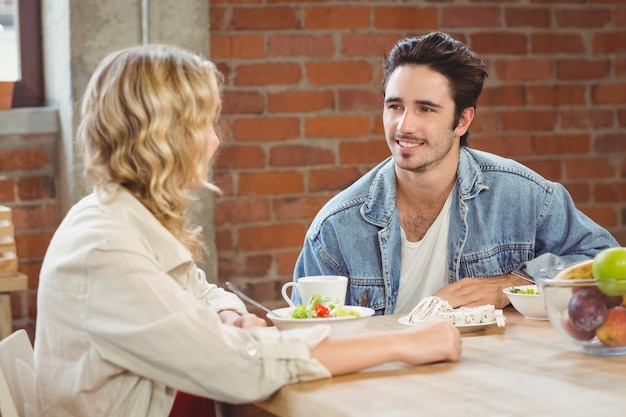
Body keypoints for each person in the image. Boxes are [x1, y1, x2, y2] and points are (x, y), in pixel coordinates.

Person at [33, 44, 462, 417]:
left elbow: (197, 290)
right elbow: (240, 368)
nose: (215, 141)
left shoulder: (124, 220)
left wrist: (229, 314)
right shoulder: (104, 247)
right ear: (161, 135)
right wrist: (404, 344)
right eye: (204, 124)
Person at [293, 31, 619, 315]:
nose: (404, 126)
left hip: (496, 377)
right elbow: (304, 337)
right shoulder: (335, 228)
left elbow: (602, 262)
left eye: (425, 109)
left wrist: (511, 284)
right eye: (395, 106)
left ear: (462, 120)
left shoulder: (523, 195)